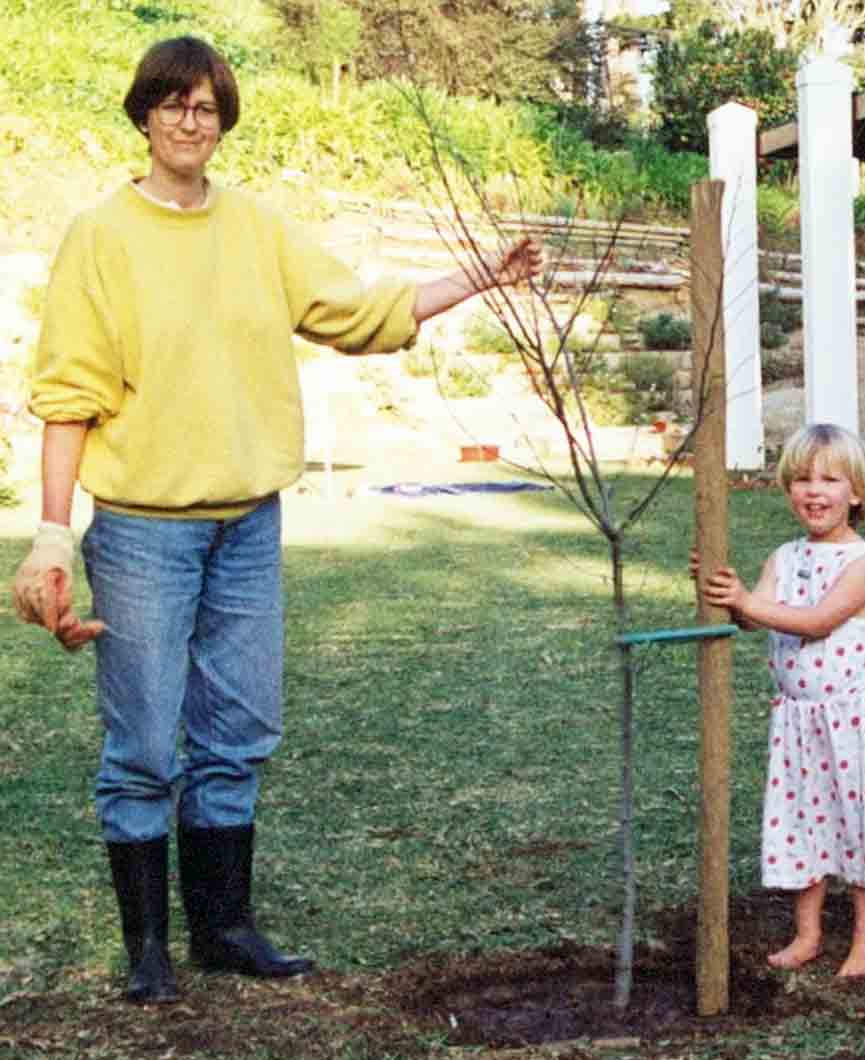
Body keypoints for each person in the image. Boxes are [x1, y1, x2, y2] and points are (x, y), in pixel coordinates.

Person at [11, 35, 542, 1005]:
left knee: (238, 732)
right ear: (142, 114)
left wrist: (485, 278)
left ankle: (225, 929)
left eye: (207, 106)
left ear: (225, 122)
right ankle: (148, 953)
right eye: (171, 103)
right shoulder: (102, 234)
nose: (189, 120)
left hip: (247, 527)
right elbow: (67, 398)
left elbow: (360, 309)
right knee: (142, 746)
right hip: (143, 535)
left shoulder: (258, 228)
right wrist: (51, 536)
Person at [691, 423, 865, 977]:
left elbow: (818, 622)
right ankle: (808, 934)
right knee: (803, 819)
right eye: (800, 479)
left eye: (829, 479)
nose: (813, 491)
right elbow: (755, 618)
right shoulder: (784, 555)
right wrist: (726, 594)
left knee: (862, 821)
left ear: (857, 492)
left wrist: (748, 600)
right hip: (798, 719)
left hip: (856, 721)